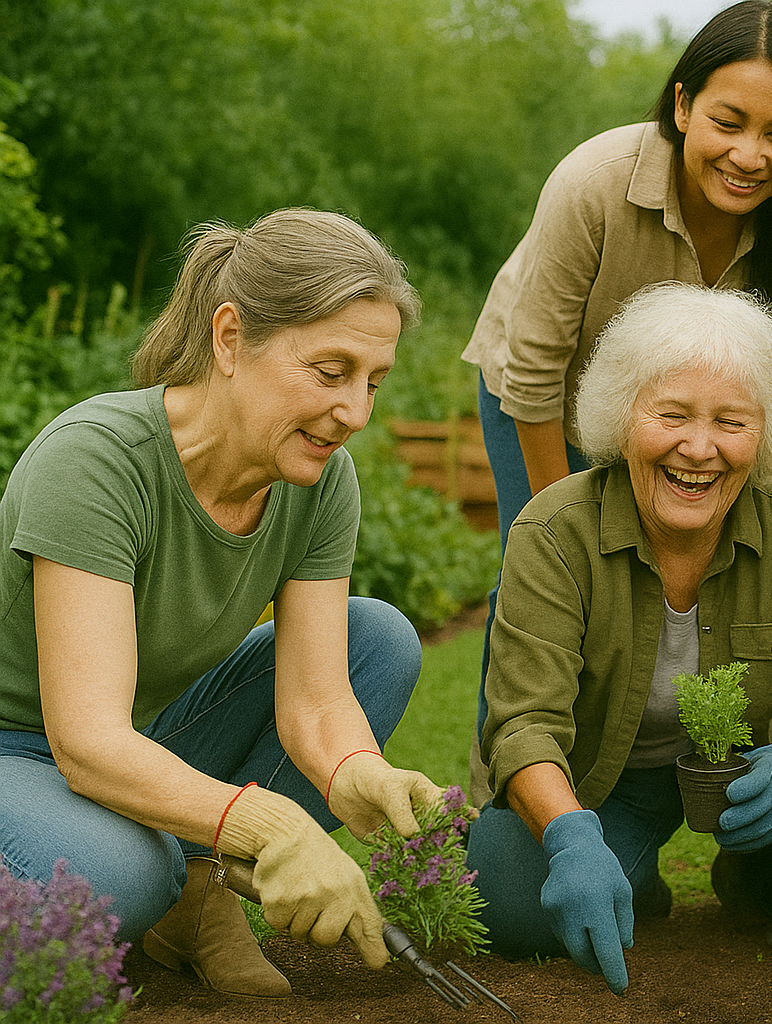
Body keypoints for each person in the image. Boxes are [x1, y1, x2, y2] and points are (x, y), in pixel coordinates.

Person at [0, 208, 446, 998]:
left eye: (373, 382)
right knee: (121, 876)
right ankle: (167, 883)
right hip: (22, 750)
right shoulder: (96, 463)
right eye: (331, 370)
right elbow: (85, 740)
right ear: (231, 337)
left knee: (376, 639)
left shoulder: (319, 478)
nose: (355, 414)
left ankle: (192, 888)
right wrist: (268, 825)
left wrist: (358, 770)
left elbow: (315, 697)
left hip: (132, 734)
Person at [464, 283, 772, 995]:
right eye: (670, 414)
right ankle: (628, 876)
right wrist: (573, 836)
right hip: (602, 789)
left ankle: (760, 877)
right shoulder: (553, 531)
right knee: (509, 896)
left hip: (747, 777)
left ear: (764, 432)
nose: (699, 449)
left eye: (731, 422)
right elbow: (522, 727)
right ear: (621, 416)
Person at [459, 0, 772, 804]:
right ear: (681, 105)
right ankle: (509, 802)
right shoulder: (594, 183)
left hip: (703, 427)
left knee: (723, 595)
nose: (750, 155)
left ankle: (744, 806)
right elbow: (534, 372)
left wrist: (730, 509)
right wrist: (550, 536)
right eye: (729, 122)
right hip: (547, 403)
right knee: (540, 583)